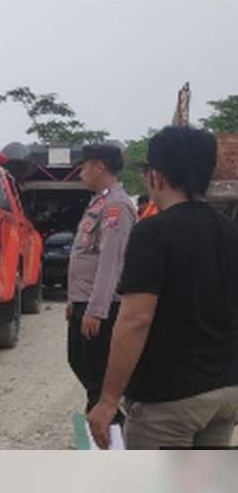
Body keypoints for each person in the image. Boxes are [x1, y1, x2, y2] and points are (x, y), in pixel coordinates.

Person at [88, 127, 238, 450]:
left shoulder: (152, 233)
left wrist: (108, 399)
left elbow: (135, 320)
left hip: (169, 402)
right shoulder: (229, 230)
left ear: (156, 176)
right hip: (225, 393)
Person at [67, 144, 136, 417]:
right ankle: (107, 434)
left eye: (83, 166)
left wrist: (96, 310)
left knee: (96, 378)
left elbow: (111, 262)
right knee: (79, 363)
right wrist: (74, 300)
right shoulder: (99, 201)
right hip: (84, 301)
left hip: (101, 308)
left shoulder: (116, 206)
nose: (80, 172)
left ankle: (107, 440)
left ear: (100, 166)